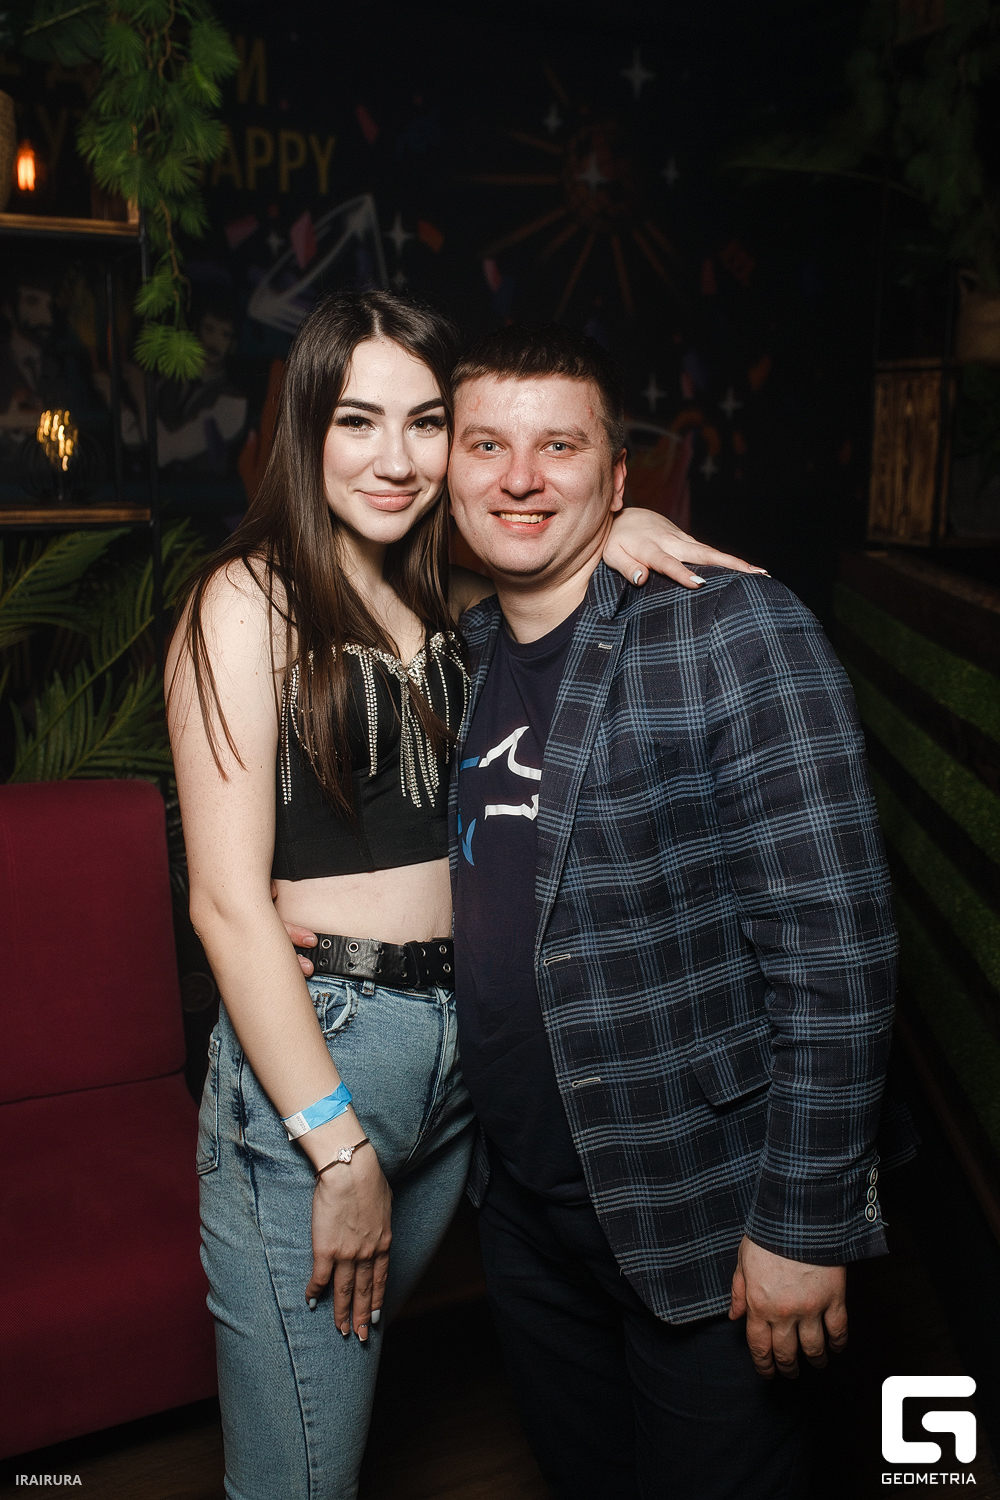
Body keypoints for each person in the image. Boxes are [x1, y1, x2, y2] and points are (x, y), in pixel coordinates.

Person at [165, 290, 760, 1500]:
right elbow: (223, 904)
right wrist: (337, 1150)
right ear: (304, 429)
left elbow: (557, 551)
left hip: (461, 1066)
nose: (395, 458)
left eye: (426, 422)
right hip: (324, 1057)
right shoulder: (243, 600)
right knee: (300, 1477)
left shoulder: (451, 594)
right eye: (356, 421)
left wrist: (626, 517)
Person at [437, 323, 898, 1499]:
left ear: (617, 477)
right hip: (527, 1219)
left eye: (558, 446)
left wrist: (803, 1224)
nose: (519, 477)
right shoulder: (462, 656)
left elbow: (836, 951)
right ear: (448, 469)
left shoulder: (733, 629)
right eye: (486, 444)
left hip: (701, 1215)